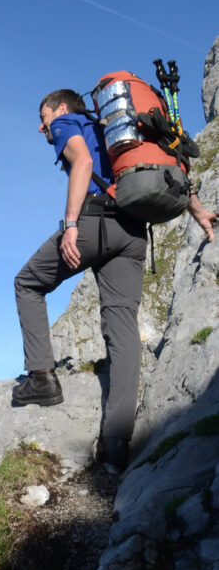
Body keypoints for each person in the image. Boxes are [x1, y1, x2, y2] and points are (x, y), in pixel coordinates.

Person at [12, 88, 216, 471]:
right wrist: (200, 212)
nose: (42, 127)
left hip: (93, 222)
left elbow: (83, 162)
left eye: (43, 117)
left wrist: (71, 225)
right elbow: (160, 172)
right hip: (133, 232)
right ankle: (116, 443)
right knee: (122, 326)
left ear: (60, 108)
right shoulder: (120, 133)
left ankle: (41, 378)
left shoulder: (68, 122)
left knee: (27, 284)